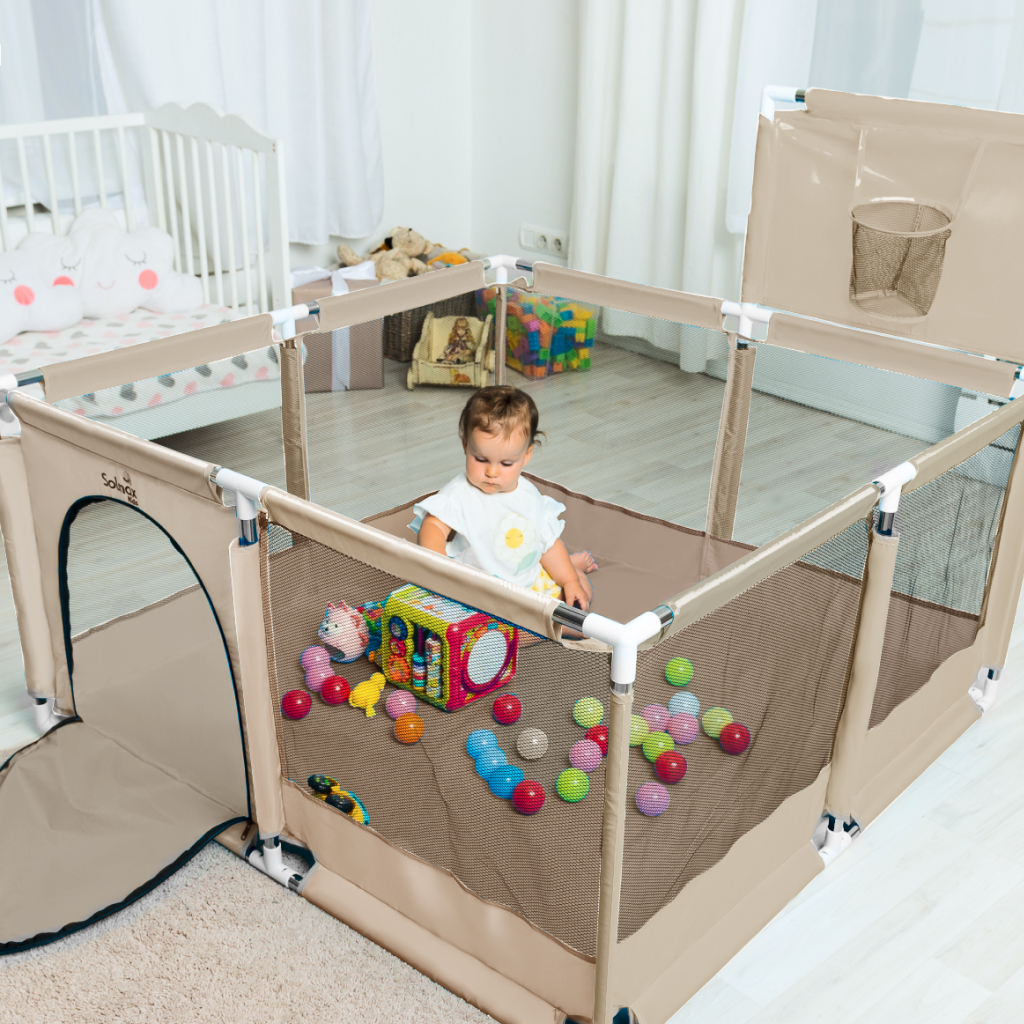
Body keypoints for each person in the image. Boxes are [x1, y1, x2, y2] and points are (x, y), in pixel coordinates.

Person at [412, 385, 596, 611]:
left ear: (526, 455)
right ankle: (568, 568)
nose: (492, 472)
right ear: (465, 445)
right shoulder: (460, 493)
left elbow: (547, 544)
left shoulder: (529, 496)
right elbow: (433, 527)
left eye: (506, 463)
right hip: (477, 595)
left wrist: (569, 581)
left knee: (578, 595)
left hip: (529, 585)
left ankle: (571, 568)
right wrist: (440, 568)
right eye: (481, 459)